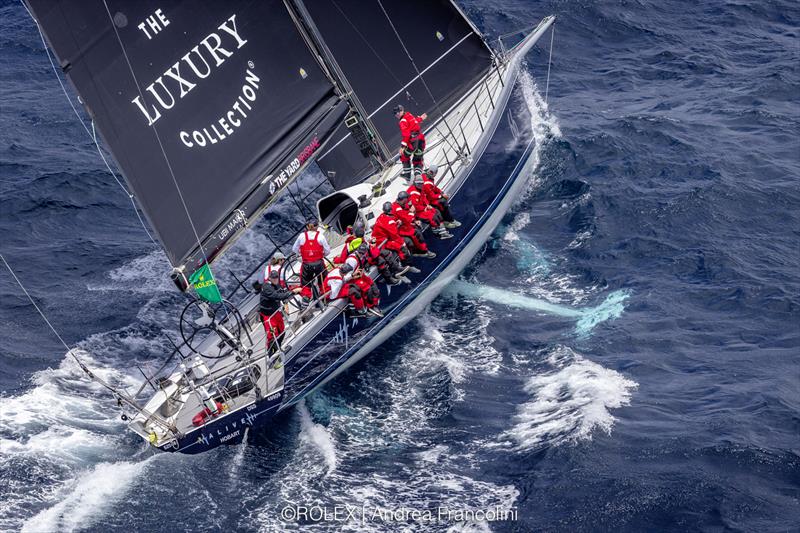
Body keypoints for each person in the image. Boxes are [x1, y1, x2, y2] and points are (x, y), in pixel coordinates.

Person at [259, 270, 302, 363]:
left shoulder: (277, 284)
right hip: (268, 317)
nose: (275, 279)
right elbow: (276, 296)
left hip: (276, 312)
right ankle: (272, 357)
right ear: (269, 278)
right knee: (272, 336)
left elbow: (282, 292)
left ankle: (278, 349)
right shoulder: (266, 287)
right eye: (273, 278)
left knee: (282, 330)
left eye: (276, 277)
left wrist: (286, 302)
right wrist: (293, 292)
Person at [291, 221, 330, 297]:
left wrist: (301, 253)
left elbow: (294, 249)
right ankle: (326, 296)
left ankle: (306, 298)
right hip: (319, 263)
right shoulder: (320, 236)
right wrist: (321, 255)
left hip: (307, 264)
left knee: (306, 283)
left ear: (307, 227)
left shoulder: (301, 236)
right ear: (317, 226)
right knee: (323, 281)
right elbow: (327, 251)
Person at [393, 191, 436, 258]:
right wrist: (412, 213)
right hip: (400, 229)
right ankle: (423, 251)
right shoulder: (397, 209)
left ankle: (422, 248)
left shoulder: (403, 205)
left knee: (416, 229)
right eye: (407, 199)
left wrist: (415, 220)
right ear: (404, 199)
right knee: (415, 233)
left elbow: (408, 216)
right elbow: (406, 218)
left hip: (405, 225)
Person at [393, 104, 427, 182]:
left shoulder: (402, 121)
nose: (396, 115)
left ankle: (407, 175)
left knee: (404, 156)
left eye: (397, 113)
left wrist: (402, 147)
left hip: (413, 142)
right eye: (395, 113)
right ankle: (418, 176)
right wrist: (421, 118)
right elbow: (414, 122)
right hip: (421, 140)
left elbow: (407, 135)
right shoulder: (409, 115)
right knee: (418, 158)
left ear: (401, 111)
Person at [422, 164, 460, 228]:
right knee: (443, 202)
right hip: (427, 201)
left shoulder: (426, 177)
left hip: (428, 198)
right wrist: (441, 196)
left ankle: (447, 219)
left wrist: (441, 192)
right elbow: (431, 196)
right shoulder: (427, 183)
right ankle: (449, 220)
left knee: (442, 201)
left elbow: (433, 187)